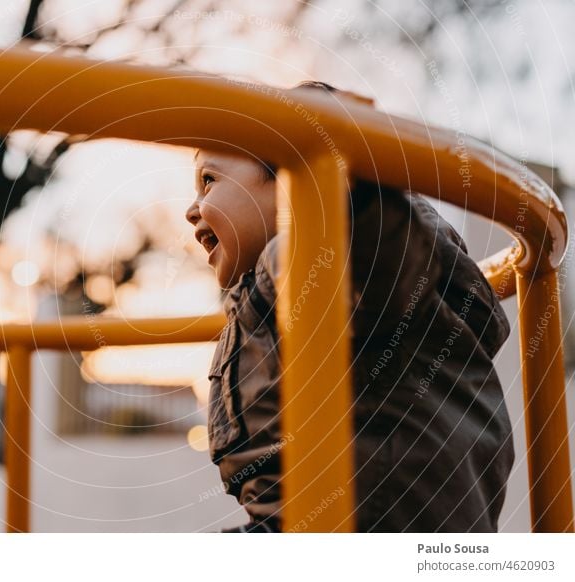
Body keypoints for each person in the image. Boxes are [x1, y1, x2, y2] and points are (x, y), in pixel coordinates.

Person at [184, 82, 514, 533]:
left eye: (209, 180)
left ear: (294, 176)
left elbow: (378, 258)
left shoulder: (329, 252)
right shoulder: (283, 283)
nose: (191, 208)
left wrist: (352, 190)